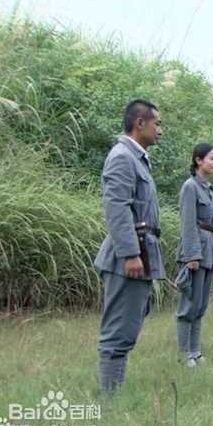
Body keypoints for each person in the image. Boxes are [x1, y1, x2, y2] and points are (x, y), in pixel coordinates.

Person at [94, 99, 165, 394]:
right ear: (140, 124)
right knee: (118, 332)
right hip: (130, 254)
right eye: (157, 123)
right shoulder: (123, 156)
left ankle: (113, 394)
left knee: (128, 327)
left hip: (140, 251)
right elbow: (117, 208)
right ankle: (109, 402)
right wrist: (130, 254)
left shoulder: (137, 158)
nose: (160, 130)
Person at [175, 143, 213, 367]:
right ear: (198, 160)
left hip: (209, 252)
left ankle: (195, 351)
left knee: (200, 305)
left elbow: (212, 227)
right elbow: (187, 224)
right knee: (188, 306)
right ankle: (184, 355)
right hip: (195, 253)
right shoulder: (190, 187)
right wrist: (191, 256)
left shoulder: (207, 189)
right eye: (212, 158)